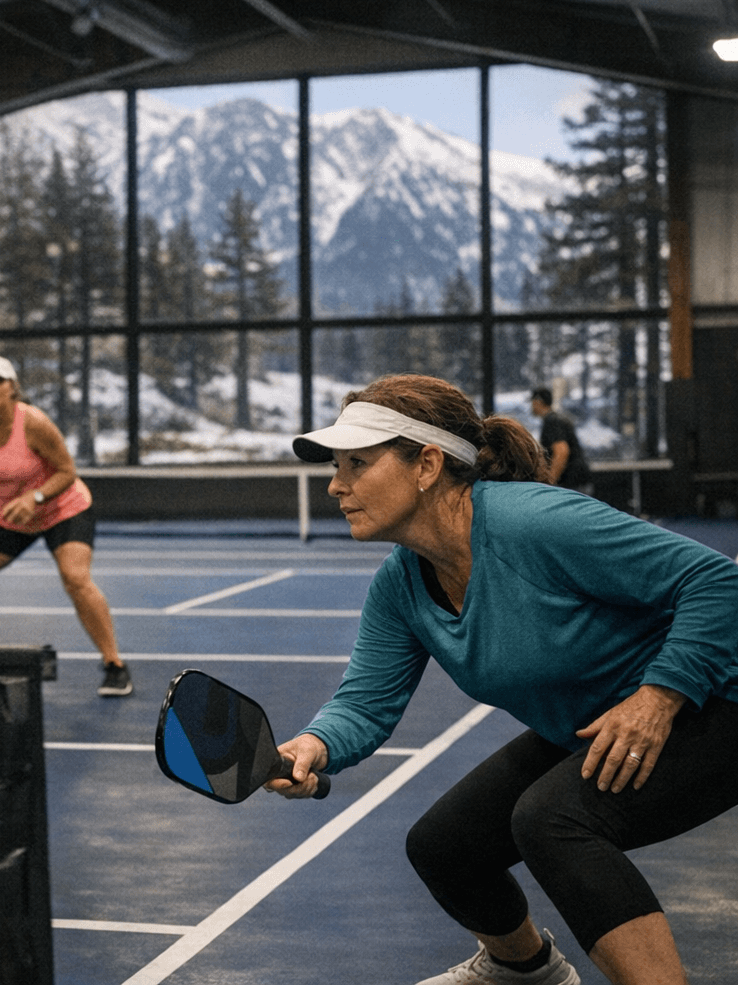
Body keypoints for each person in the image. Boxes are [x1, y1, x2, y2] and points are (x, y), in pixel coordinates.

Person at [274, 373, 738, 985]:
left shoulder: (534, 522)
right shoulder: (401, 583)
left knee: (553, 818)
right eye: (337, 466)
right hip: (594, 721)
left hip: (713, 703)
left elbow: (719, 583)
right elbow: (364, 702)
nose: (336, 485)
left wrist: (658, 696)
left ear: (428, 465)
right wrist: (314, 746)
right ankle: (525, 971)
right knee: (445, 845)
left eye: (357, 463)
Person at [0, 355, 132, 697]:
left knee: (76, 579)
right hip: (7, 516)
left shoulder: (33, 423)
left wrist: (35, 498)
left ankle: (114, 665)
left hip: (62, 508)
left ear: (13, 387)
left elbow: (66, 471)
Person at [530, 387, 593, 493]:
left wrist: (549, 483)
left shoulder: (553, 421)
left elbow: (561, 451)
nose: (531, 406)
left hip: (573, 484)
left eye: (532, 402)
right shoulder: (554, 419)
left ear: (538, 402)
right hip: (576, 482)